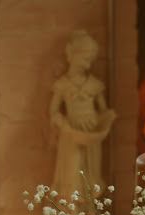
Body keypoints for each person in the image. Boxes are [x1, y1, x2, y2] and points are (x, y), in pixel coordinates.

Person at [50, 30, 116, 199]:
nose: (88, 64)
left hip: (92, 133)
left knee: (91, 173)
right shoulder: (63, 85)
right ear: (73, 55)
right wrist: (61, 123)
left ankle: (89, 213)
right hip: (71, 133)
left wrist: (107, 118)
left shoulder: (94, 85)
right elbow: (54, 110)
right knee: (72, 173)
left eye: (91, 60)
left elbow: (103, 110)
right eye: (85, 59)